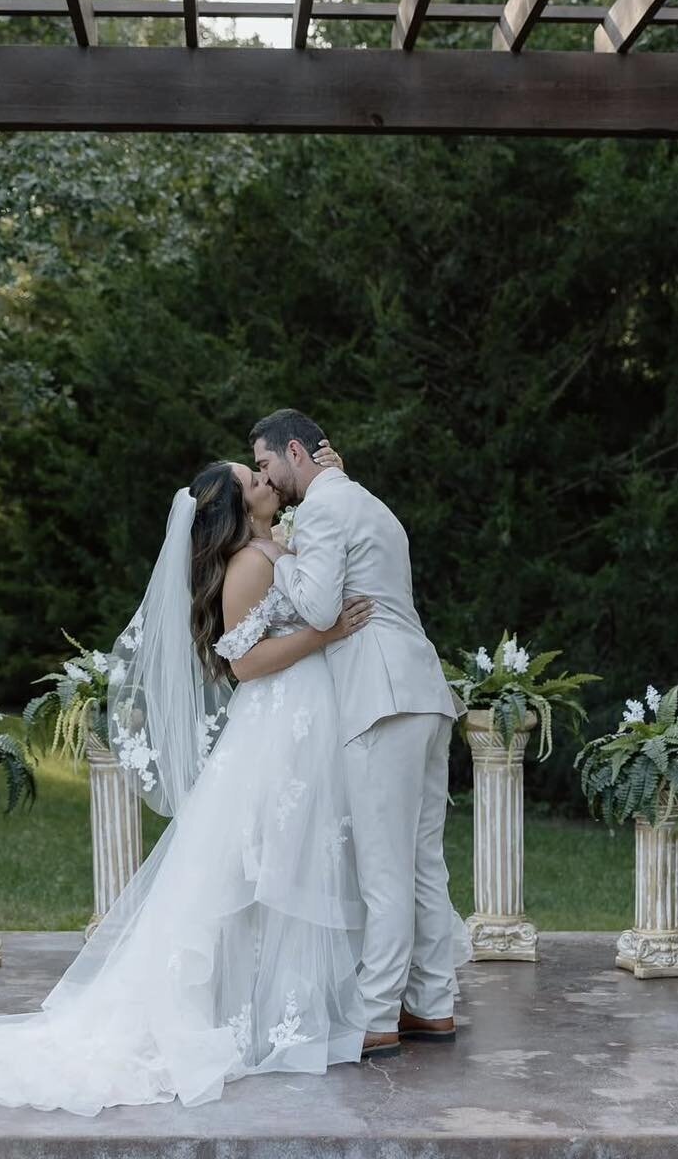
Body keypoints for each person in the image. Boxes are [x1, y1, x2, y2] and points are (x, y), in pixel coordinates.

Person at [0, 447, 376, 1112]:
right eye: (254, 480)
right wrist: (325, 635)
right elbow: (245, 666)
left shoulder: (277, 546)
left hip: (304, 718)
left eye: (264, 473)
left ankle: (297, 1006)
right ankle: (262, 1015)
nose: (268, 482)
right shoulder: (247, 565)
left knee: (295, 860)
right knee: (255, 868)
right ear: (238, 507)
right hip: (275, 723)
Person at [249, 408, 466, 1057]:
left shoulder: (319, 511)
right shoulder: (371, 504)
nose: (266, 477)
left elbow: (318, 608)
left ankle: (376, 1017)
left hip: (381, 700)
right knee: (425, 862)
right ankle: (432, 1005)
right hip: (425, 693)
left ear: (295, 451)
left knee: (384, 868)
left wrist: (273, 553)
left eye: (264, 464)